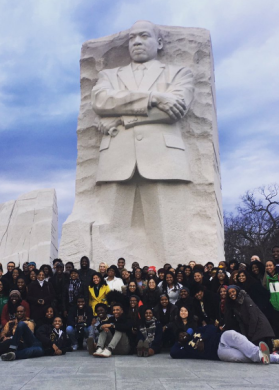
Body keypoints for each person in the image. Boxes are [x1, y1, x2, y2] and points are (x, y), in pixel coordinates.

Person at [90, 20, 195, 265]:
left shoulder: (178, 74)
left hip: (163, 159)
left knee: (170, 238)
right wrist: (154, 97)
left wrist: (121, 118)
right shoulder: (109, 75)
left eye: (144, 36)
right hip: (116, 159)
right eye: (132, 37)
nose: (136, 41)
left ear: (159, 43)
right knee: (109, 237)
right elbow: (101, 102)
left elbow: (174, 112)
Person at [170, 325, 279, 364]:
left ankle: (261, 354)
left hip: (223, 337)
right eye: (180, 336)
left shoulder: (197, 331)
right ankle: (274, 358)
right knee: (241, 357)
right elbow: (173, 353)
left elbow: (212, 328)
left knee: (240, 341)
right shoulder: (185, 348)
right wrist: (178, 342)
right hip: (218, 353)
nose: (182, 336)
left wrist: (202, 339)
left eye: (183, 333)